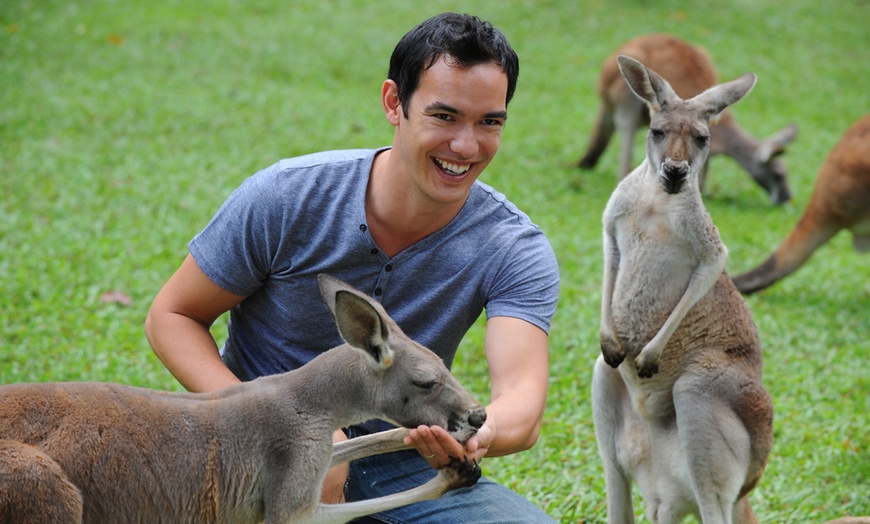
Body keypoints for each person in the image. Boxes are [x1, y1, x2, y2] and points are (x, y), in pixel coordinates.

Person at [145, 12, 559, 523]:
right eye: (444, 117)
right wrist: (287, 426)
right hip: (249, 446)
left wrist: (482, 430)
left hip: (396, 454)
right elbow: (173, 316)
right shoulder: (288, 196)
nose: (467, 146)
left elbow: (522, 399)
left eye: (489, 122)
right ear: (394, 103)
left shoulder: (513, 245)